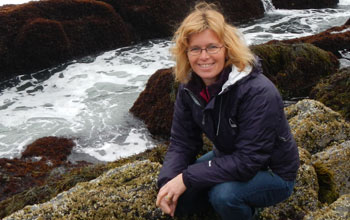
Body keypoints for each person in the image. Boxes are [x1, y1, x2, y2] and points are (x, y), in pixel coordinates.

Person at [155, 2, 300, 220]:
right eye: (195, 49)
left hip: (272, 171)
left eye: (212, 47)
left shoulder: (258, 91)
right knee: (179, 197)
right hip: (229, 157)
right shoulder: (189, 89)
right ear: (186, 53)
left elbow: (248, 161)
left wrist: (186, 178)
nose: (204, 56)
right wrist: (168, 182)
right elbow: (182, 142)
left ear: (227, 49)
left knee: (223, 196)